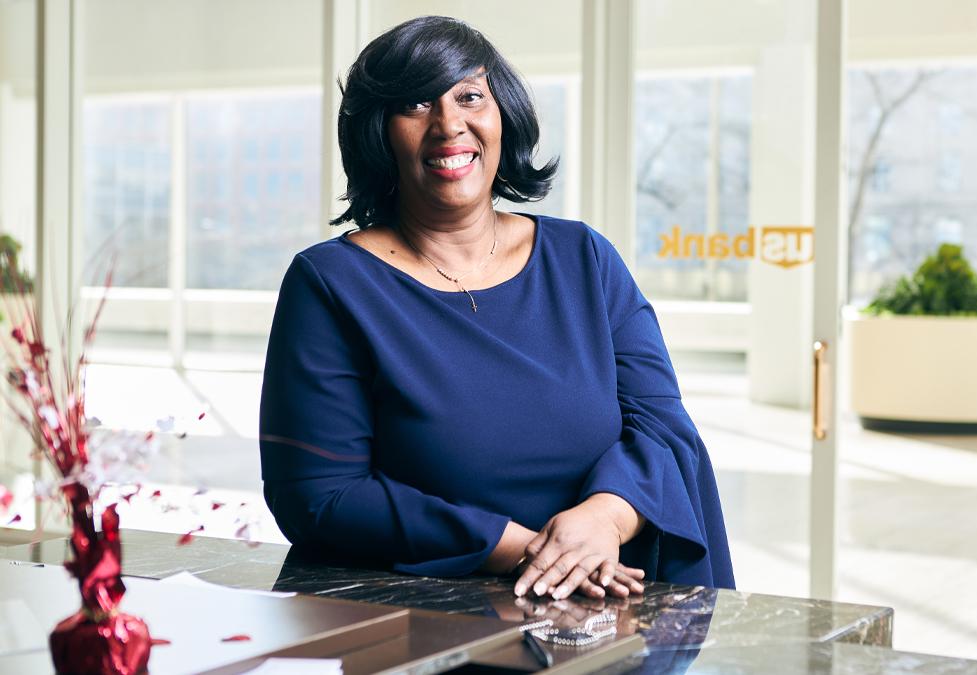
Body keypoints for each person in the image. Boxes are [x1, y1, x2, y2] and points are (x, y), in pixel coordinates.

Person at [258, 15, 734, 601]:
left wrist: (604, 520)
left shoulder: (584, 258)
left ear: (501, 113)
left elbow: (663, 430)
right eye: (415, 105)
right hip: (422, 619)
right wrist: (530, 551)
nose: (449, 125)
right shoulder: (330, 284)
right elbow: (319, 493)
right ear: (378, 134)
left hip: (614, 605)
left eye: (470, 97)